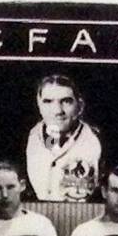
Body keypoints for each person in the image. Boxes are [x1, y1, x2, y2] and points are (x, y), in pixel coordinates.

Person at [25, 74, 102, 203]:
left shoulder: (94, 141)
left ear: (80, 105)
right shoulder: (30, 137)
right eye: (48, 101)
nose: (57, 110)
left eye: (66, 101)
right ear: (39, 105)